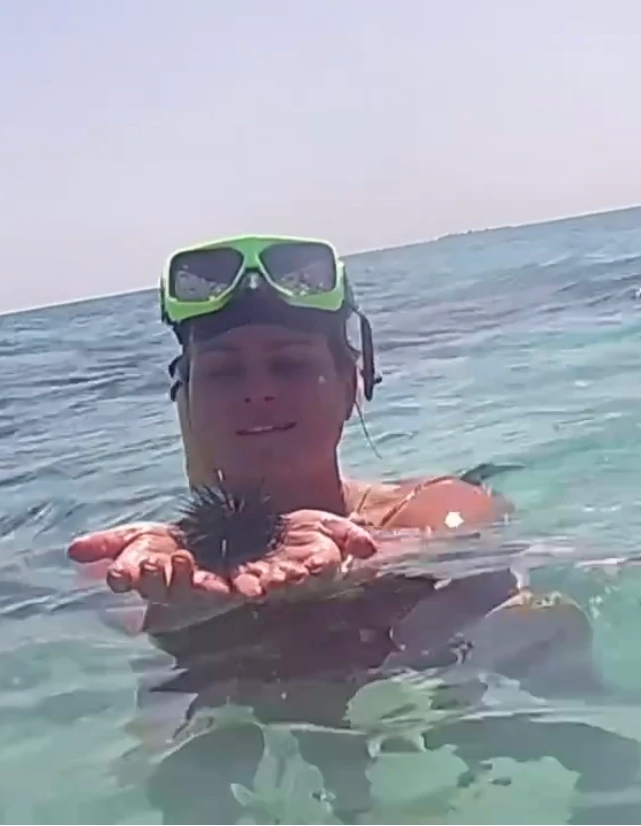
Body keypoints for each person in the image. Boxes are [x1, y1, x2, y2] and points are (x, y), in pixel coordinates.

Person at [67, 234, 600, 823]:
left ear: (352, 384)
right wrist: (184, 602)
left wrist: (348, 568)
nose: (258, 390)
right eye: (221, 374)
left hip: (455, 738)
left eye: (290, 364)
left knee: (543, 618)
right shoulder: (148, 566)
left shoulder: (438, 509)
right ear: (185, 400)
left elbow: (477, 559)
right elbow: (119, 626)